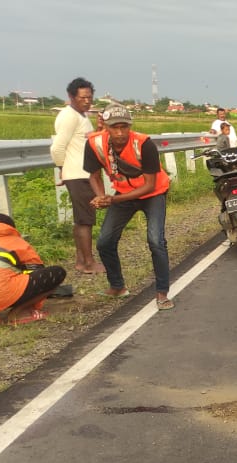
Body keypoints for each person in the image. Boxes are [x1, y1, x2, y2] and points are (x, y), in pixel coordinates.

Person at [83, 104, 174, 310]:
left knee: (156, 240)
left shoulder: (143, 144)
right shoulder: (94, 143)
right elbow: (94, 176)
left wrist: (111, 200)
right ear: (105, 126)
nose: (120, 132)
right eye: (115, 127)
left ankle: (162, 292)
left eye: (124, 127)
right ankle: (117, 286)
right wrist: (100, 197)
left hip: (153, 193)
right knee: (105, 241)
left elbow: (149, 185)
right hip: (123, 193)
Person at [0, 213, 67, 326]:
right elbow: (36, 271)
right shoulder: (15, 242)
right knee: (57, 273)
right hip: (1, 295)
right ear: (9, 227)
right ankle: (19, 312)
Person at [50, 77, 104, 274]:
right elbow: (57, 147)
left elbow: (85, 142)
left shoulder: (81, 115)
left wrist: (98, 130)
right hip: (77, 173)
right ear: (71, 97)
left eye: (90, 97)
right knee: (85, 219)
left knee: (82, 218)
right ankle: (89, 263)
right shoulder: (69, 116)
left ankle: (81, 260)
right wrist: (62, 168)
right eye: (83, 97)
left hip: (83, 172)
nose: (87, 101)